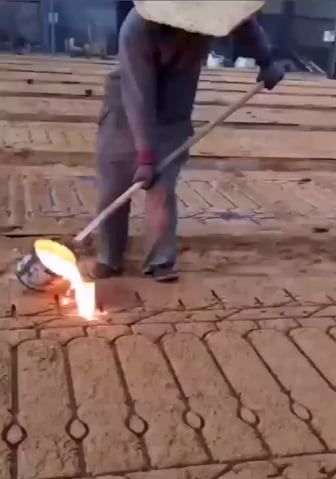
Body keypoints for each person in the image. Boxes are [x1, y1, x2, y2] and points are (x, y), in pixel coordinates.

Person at [93, 0, 284, 282]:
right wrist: (145, 156)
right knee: (115, 185)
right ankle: (109, 257)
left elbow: (244, 25)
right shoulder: (137, 29)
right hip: (126, 106)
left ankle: (159, 262)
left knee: (162, 187)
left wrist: (266, 60)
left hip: (175, 109)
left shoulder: (208, 15)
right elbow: (139, 97)